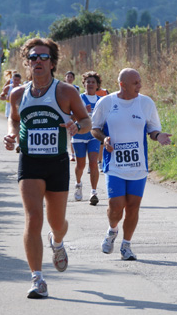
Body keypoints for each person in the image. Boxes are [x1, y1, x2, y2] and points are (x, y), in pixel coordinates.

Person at [3, 37, 91, 299]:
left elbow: (86, 120)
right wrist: (11, 135)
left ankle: (58, 241)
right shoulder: (18, 94)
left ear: (52, 63)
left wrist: (77, 127)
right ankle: (37, 279)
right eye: (33, 57)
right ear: (26, 62)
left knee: (56, 222)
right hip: (30, 161)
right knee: (33, 217)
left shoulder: (65, 92)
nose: (37, 61)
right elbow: (14, 119)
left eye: (43, 57)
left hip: (57, 163)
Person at [92, 68, 171, 261]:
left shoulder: (145, 103)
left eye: (140, 81)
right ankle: (112, 230)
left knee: (133, 207)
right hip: (115, 164)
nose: (140, 85)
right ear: (122, 85)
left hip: (138, 165)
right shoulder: (107, 103)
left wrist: (158, 136)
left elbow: (152, 130)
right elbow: (95, 129)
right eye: (135, 82)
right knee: (116, 205)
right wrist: (104, 140)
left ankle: (126, 245)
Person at [72, 71, 102, 205]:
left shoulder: (101, 101)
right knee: (81, 164)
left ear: (97, 86)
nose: (90, 84)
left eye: (93, 82)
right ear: (84, 84)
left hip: (93, 136)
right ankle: (78, 184)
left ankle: (93, 192)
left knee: (94, 162)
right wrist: (83, 112)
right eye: (88, 82)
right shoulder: (78, 99)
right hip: (79, 135)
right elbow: (71, 117)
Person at [64, 71, 80, 161]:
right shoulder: (61, 87)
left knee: (72, 133)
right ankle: (65, 151)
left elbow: (77, 101)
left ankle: (72, 154)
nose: (69, 78)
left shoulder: (76, 88)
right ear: (65, 78)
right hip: (64, 112)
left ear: (73, 79)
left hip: (73, 113)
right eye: (68, 76)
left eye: (71, 77)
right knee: (64, 133)